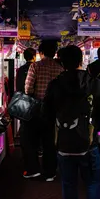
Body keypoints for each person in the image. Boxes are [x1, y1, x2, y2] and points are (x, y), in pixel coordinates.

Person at [43, 45, 100, 199]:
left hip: (63, 144)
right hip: (90, 144)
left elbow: (46, 114)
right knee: (93, 183)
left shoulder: (54, 85)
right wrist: (99, 137)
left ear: (62, 63)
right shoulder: (94, 83)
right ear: (81, 60)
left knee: (68, 183)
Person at [24, 40, 63, 181]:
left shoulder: (35, 66)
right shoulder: (60, 68)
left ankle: (34, 169)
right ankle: (50, 172)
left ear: (41, 52)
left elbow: (28, 89)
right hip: (53, 109)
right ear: (54, 53)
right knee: (50, 141)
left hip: (36, 108)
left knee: (33, 140)